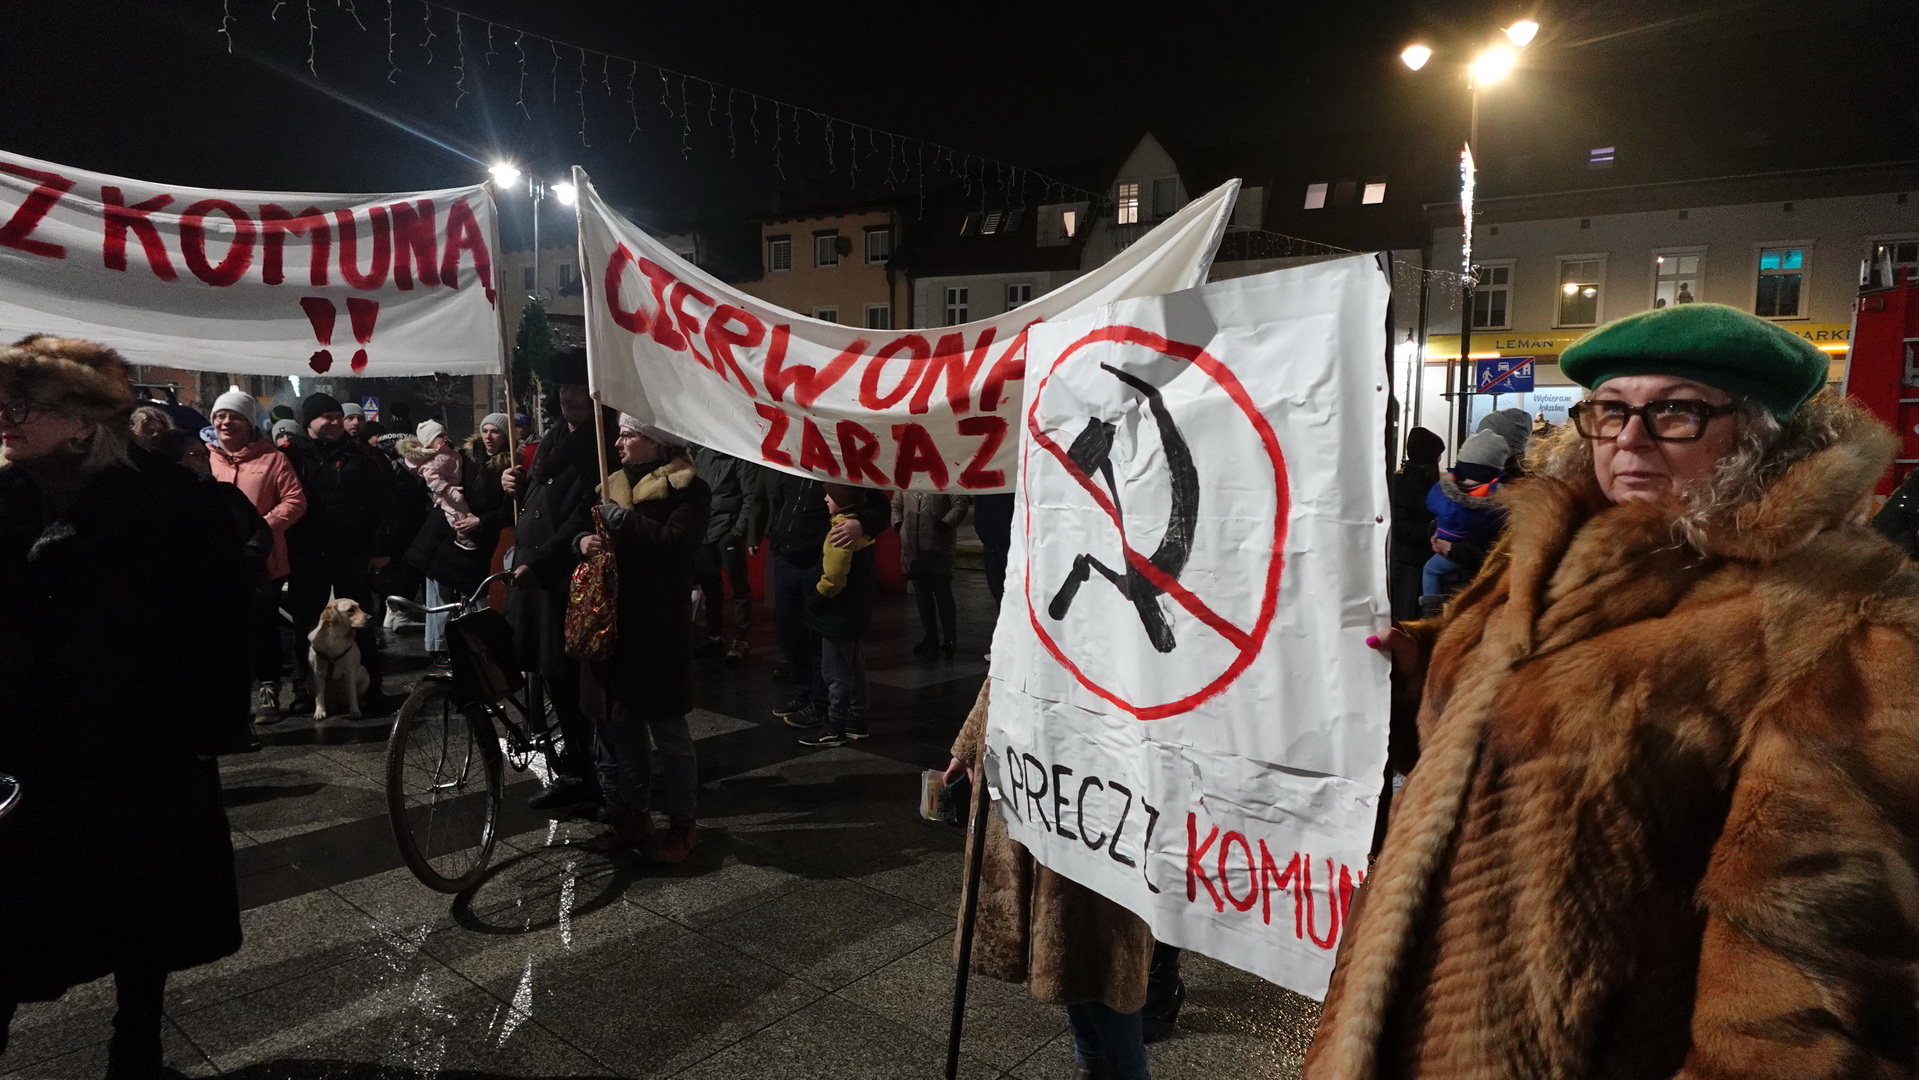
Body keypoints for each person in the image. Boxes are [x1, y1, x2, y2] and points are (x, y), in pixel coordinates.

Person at [1307, 303, 1919, 1078]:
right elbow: (1510, 707)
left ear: (1762, 434)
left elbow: (1814, 963)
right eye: (1609, 410)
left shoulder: (1839, 621)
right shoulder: (1551, 548)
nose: (1629, 438)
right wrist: (1411, 673)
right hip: (1409, 1011)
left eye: (1674, 411)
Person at [0, 337, 250, 1079]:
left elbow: (220, 625)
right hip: (28, 755)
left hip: (141, 751)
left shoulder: (173, 501)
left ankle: (135, 1051)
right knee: (16, 923)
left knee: (145, 914)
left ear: (84, 421)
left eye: (23, 406)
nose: (5, 419)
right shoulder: (9, 498)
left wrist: (205, 732)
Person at [945, 684, 1157, 1080]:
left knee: (1104, 948)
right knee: (1062, 945)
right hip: (1029, 764)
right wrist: (971, 741)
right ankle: (1090, 1061)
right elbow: (1007, 660)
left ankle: (1124, 1069)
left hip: (1102, 773)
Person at [573, 414, 710, 860]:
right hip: (612, 624)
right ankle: (635, 814)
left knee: (668, 730)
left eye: (628, 435)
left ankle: (683, 824)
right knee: (621, 724)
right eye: (619, 434)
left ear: (656, 442)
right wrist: (582, 542)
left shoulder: (688, 488)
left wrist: (625, 522)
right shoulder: (608, 485)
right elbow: (584, 531)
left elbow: (678, 544)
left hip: (657, 626)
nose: (618, 442)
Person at [500, 348, 605, 814]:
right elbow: (540, 498)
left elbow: (581, 515)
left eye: (577, 389)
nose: (569, 397)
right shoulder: (555, 437)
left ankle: (585, 772)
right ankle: (572, 764)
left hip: (562, 577)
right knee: (547, 675)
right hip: (535, 573)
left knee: (568, 678)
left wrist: (542, 565)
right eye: (564, 389)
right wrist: (514, 484)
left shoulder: (600, 443)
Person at [282, 391, 395, 715]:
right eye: (326, 417)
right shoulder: (292, 455)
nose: (334, 422)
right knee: (306, 623)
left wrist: (381, 547)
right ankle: (304, 688)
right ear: (309, 421)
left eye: (337, 417)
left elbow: (384, 502)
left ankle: (371, 685)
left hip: (352, 551)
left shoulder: (362, 455)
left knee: (361, 621)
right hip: (307, 553)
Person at [206, 389, 308, 720]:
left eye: (234, 417)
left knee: (264, 627)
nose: (225, 422)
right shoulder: (206, 458)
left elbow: (295, 501)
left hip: (263, 560)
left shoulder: (273, 459)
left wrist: (261, 529)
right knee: (223, 632)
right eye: (220, 416)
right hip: (216, 561)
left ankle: (269, 689)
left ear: (249, 423)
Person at [759, 473, 891, 728]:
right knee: (790, 633)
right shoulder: (793, 467)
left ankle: (822, 704)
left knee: (818, 639)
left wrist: (861, 524)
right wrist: (774, 540)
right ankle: (805, 692)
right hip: (786, 560)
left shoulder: (842, 469)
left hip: (816, 564)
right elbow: (779, 502)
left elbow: (881, 509)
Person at [401, 413, 511, 666]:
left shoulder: (510, 465)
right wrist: (438, 489)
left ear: (505, 436)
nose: (488, 436)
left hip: (475, 537)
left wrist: (480, 521)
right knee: (438, 590)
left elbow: (509, 510)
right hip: (442, 533)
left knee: (472, 595)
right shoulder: (464, 455)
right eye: (485, 430)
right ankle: (438, 646)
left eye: (495, 432)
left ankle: (472, 648)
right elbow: (429, 472)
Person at [798, 483, 878, 748]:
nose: (825, 499)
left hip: (836, 615)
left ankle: (835, 725)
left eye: (830, 495)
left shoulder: (840, 532)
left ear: (843, 501)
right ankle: (857, 720)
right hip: (855, 612)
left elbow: (833, 579)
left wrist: (816, 597)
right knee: (855, 667)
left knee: (834, 672)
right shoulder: (863, 530)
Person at [690, 444, 762, 662]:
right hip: (705, 530)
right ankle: (714, 636)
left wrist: (737, 532)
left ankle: (740, 640)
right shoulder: (703, 454)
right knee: (711, 586)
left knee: (737, 585)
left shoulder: (739, 456)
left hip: (727, 530)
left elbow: (750, 496)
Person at [1420, 429, 1509, 602]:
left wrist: (1440, 535)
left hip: (1454, 553)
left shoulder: (1444, 492)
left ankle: (1430, 610)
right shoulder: (1499, 500)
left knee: (1430, 570)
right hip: (1478, 564)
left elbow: (1432, 507)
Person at [893, 490, 971, 657]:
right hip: (913, 546)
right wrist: (899, 525)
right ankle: (930, 637)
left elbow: (959, 505)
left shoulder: (944, 478)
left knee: (942, 593)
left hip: (938, 545)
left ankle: (950, 638)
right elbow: (896, 504)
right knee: (922, 595)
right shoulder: (909, 480)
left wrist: (944, 524)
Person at [1387, 427, 1444, 622]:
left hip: (1415, 557)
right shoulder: (1406, 483)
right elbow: (1399, 526)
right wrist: (1429, 530)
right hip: (1408, 561)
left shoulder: (1408, 480)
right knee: (1407, 613)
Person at [396, 419, 479, 552]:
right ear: (429, 441)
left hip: (454, 487)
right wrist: (449, 490)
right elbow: (434, 480)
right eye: (440, 436)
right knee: (455, 511)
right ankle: (462, 535)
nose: (445, 437)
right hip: (445, 492)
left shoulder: (447, 452)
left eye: (444, 434)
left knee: (462, 508)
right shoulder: (433, 460)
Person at [972, 491, 1015, 604]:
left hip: (1008, 546)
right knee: (997, 589)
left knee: (1012, 589)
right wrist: (984, 535)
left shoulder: (1011, 489)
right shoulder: (985, 491)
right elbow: (978, 513)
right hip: (991, 544)